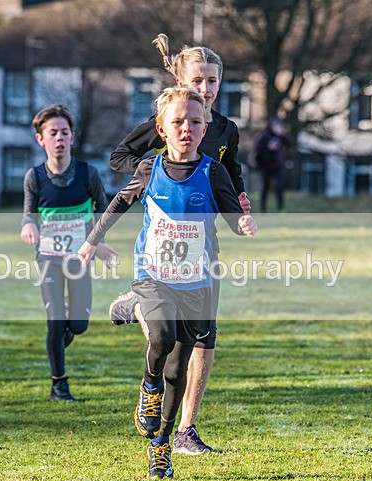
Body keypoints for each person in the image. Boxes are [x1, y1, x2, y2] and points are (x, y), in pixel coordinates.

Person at [78, 86, 257, 479]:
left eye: (195, 121)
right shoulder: (149, 169)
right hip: (152, 274)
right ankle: (148, 386)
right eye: (177, 122)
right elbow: (120, 202)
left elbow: (231, 216)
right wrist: (93, 239)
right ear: (161, 128)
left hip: (197, 282)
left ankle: (161, 446)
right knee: (159, 337)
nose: (187, 128)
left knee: (179, 367)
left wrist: (243, 223)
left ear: (205, 124)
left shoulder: (214, 171)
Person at [107, 33, 250, 455]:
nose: (205, 89)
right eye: (198, 80)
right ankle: (139, 304)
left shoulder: (224, 129)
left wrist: (238, 200)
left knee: (206, 337)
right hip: (162, 244)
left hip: (204, 246)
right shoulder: (173, 118)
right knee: (169, 338)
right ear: (182, 81)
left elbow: (232, 171)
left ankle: (187, 429)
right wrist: (157, 173)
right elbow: (120, 157)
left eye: (212, 81)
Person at [21, 104, 117, 402]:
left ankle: (64, 333)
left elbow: (104, 211)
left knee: (77, 324)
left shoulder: (88, 174)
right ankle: (59, 385)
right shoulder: (34, 178)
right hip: (48, 258)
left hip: (79, 258)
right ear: (41, 139)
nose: (59, 138)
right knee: (54, 319)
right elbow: (28, 215)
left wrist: (98, 243)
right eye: (53, 133)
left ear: (72, 137)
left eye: (64, 132)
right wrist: (29, 227)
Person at [253, 116, 292, 212]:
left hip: (278, 165)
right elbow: (257, 149)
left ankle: (280, 208)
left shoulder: (280, 136)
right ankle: (263, 209)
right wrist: (268, 148)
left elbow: (290, 144)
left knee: (279, 187)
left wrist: (283, 134)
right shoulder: (264, 136)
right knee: (265, 187)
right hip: (266, 165)